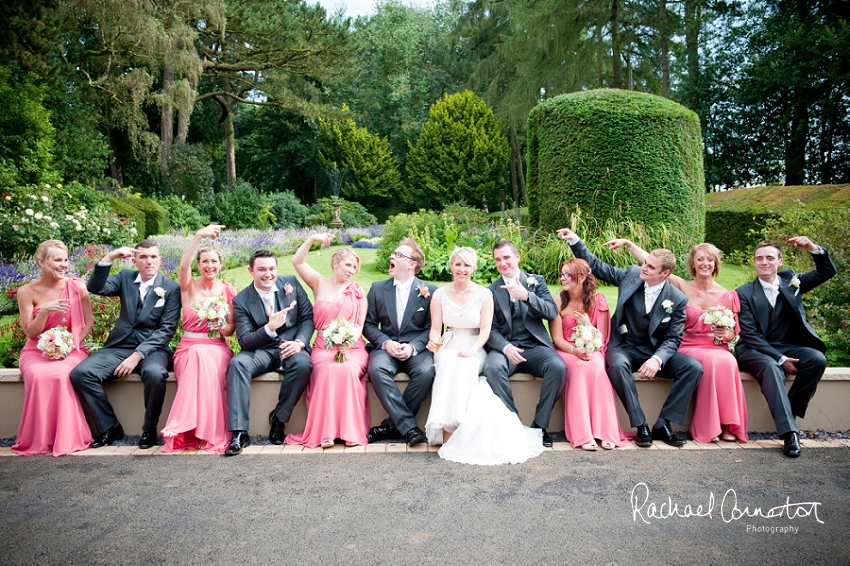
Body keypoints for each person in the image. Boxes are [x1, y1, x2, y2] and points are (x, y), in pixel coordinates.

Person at [557, 228, 702, 447]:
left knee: (693, 368)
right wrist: (576, 240)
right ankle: (641, 424)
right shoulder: (631, 276)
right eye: (645, 262)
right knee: (616, 365)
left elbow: (673, 338)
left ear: (665, 273)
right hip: (624, 347)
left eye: (650, 267)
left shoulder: (678, 299)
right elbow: (596, 266)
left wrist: (657, 359)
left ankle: (663, 423)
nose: (644, 267)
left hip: (653, 351)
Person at [606, 239, 748, 444]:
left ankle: (714, 424)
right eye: (700, 259)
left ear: (716, 263)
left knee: (719, 362)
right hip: (687, 345)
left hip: (710, 346)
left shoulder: (726, 295)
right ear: (693, 263)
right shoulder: (681, 286)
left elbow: (731, 333)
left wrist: (723, 335)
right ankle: (703, 425)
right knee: (710, 363)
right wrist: (629, 245)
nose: (705, 263)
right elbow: (655, 265)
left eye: (710, 259)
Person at [423, 247, 544, 464]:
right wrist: (435, 341)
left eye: (467, 265)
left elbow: (486, 330)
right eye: (458, 264)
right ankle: (446, 426)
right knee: (449, 362)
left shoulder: (484, 295)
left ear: (473, 268)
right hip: (450, 342)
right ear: (451, 266)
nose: (462, 269)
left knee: (465, 364)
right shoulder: (439, 295)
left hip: (475, 344)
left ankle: (459, 427)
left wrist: (472, 350)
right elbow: (435, 328)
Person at [70, 240, 181, 449]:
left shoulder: (171, 288)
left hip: (153, 349)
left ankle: (149, 431)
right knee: (81, 374)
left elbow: (166, 329)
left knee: (155, 374)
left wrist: (137, 355)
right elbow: (96, 287)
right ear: (135, 260)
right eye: (143, 257)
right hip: (120, 346)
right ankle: (110, 427)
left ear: (160, 260)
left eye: (153, 257)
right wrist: (109, 258)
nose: (149, 262)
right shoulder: (125, 278)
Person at [735, 237, 836, 457]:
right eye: (759, 258)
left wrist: (812, 248)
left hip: (787, 345)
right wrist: (780, 358)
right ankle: (790, 433)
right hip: (753, 348)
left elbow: (827, 271)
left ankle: (787, 410)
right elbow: (750, 335)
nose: (764, 262)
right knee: (772, 367)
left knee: (817, 360)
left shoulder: (792, 282)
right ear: (754, 263)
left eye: (770, 258)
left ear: (779, 262)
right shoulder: (743, 293)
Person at [224, 249, 314, 456]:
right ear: (250, 271)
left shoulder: (290, 283)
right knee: (238, 364)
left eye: (271, 268)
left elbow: (307, 318)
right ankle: (239, 432)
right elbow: (245, 341)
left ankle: (279, 419)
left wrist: (299, 343)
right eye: (261, 269)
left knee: (303, 365)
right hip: (260, 350)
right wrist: (269, 328)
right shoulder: (241, 300)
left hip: (291, 347)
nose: (268, 274)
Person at [284, 234, 370, 448]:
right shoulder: (318, 283)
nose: (351, 270)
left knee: (347, 370)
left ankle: (350, 431)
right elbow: (297, 262)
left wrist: (347, 342)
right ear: (335, 263)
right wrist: (311, 239)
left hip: (351, 348)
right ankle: (326, 433)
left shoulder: (357, 292)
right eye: (348, 265)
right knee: (325, 372)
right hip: (323, 347)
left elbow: (358, 326)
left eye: (354, 268)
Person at [12, 240, 94, 456]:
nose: (63, 265)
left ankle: (67, 438)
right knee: (38, 376)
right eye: (57, 260)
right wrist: (44, 311)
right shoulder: (26, 291)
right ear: (41, 262)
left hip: (70, 350)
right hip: (35, 352)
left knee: (60, 374)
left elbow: (88, 323)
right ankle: (40, 441)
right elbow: (30, 332)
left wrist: (69, 347)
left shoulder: (77, 286)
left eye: (65, 260)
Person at [161, 224, 236, 453]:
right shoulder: (189, 286)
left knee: (202, 356)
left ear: (220, 264)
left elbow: (232, 328)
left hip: (216, 346)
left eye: (214, 262)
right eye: (205, 262)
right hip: (188, 347)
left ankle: (204, 431)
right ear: (198, 264)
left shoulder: (227, 290)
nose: (209, 266)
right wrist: (198, 236)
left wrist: (221, 326)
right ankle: (191, 428)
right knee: (196, 354)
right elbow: (183, 265)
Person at [484, 240, 566, 447]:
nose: (503, 263)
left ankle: (540, 426)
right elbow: (490, 329)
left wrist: (527, 296)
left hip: (534, 347)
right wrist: (506, 347)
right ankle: (514, 424)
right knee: (493, 368)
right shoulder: (490, 291)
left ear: (517, 257)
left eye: (506, 257)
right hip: (505, 348)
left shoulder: (535, 282)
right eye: (498, 260)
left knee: (558, 367)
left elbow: (551, 312)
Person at [363, 238, 437, 446]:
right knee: (376, 370)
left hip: (417, 349)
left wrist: (413, 347)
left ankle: (392, 426)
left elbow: (433, 328)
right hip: (386, 348)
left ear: (412, 264)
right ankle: (409, 428)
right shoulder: (377, 289)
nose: (391, 257)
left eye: (397, 255)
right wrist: (386, 343)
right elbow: (368, 325)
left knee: (426, 372)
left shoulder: (430, 291)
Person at [549, 258, 629, 451]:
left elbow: (602, 338)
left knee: (595, 366)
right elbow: (557, 338)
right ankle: (582, 433)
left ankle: (606, 431)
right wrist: (574, 351)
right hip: (566, 349)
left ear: (583, 277)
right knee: (578, 368)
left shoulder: (598, 301)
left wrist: (586, 324)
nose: (563, 278)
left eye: (568, 274)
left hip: (592, 349)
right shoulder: (557, 301)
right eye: (562, 274)